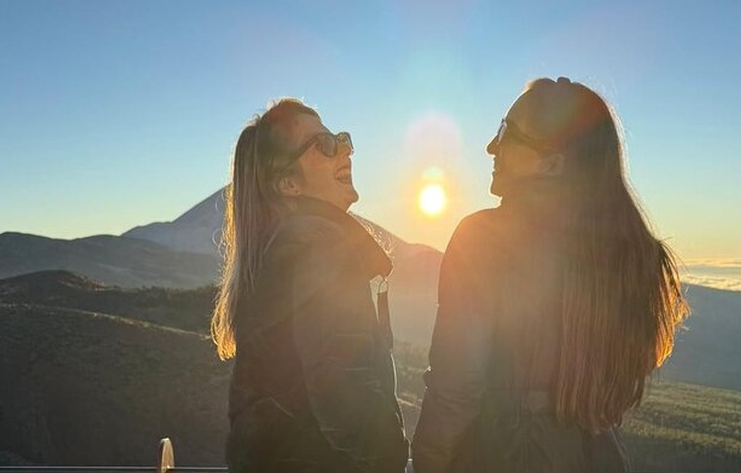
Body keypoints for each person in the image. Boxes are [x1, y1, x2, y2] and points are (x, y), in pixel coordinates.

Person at [412, 77, 689, 473]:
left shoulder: (484, 238)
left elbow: (455, 389)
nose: (492, 146)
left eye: (508, 133)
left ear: (552, 163)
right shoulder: (632, 255)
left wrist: (426, 465)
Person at [211, 98, 409, 473]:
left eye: (341, 138)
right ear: (288, 184)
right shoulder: (318, 250)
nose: (345, 149)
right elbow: (347, 399)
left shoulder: (283, 251)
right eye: (325, 144)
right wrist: (390, 458)